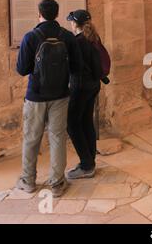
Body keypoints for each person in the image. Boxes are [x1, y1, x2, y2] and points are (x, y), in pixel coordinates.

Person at [16, 0, 82, 197]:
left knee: (31, 138)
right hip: (60, 95)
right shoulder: (67, 36)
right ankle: (57, 184)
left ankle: (28, 181)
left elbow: (21, 69)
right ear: (57, 13)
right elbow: (77, 68)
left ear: (39, 13)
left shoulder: (31, 37)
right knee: (57, 138)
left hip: (35, 95)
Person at [66, 10, 103, 179]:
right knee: (86, 121)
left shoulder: (77, 42)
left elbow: (73, 67)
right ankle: (90, 160)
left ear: (75, 24)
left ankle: (87, 164)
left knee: (72, 124)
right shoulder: (94, 38)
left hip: (80, 87)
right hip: (94, 85)